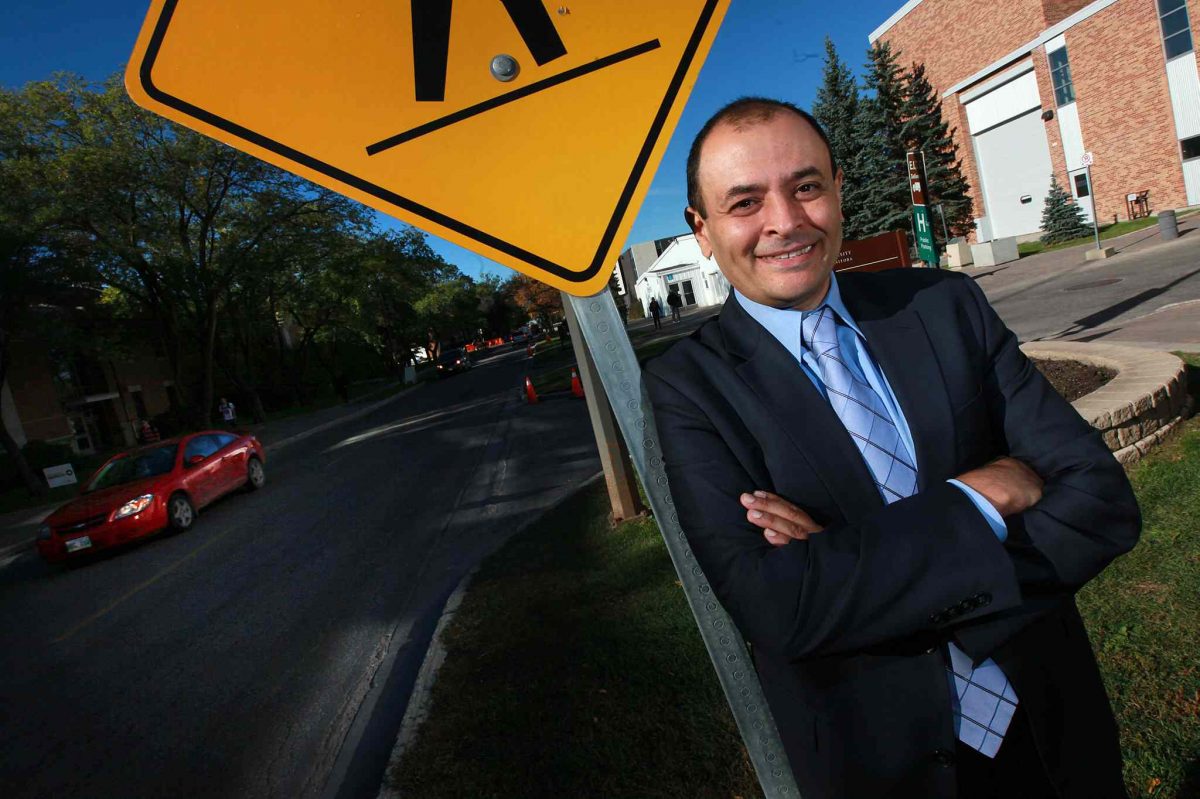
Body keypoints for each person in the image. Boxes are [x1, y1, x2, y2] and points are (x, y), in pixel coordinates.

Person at [644, 98, 1139, 799]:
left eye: (806, 186)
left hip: (1055, 726)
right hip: (883, 763)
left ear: (838, 190)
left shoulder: (944, 306)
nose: (785, 222)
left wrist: (850, 562)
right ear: (702, 229)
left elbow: (1101, 499)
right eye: (746, 202)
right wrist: (980, 496)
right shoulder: (688, 388)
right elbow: (782, 606)